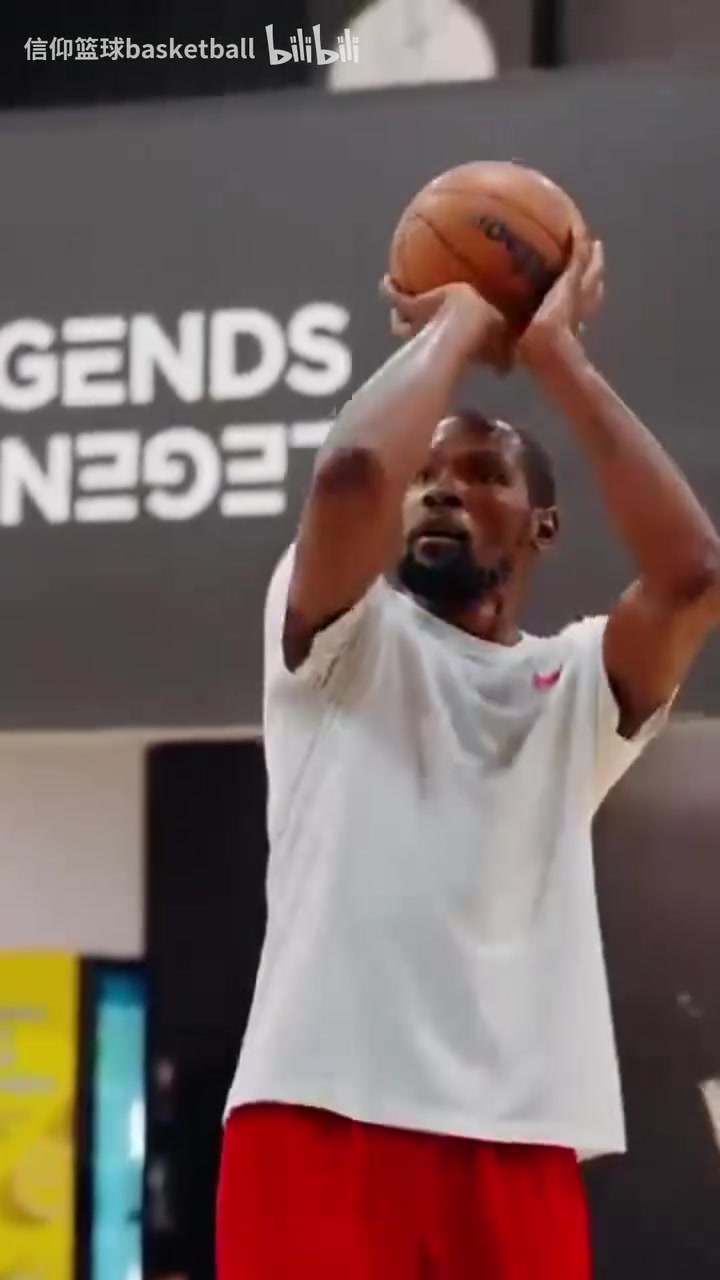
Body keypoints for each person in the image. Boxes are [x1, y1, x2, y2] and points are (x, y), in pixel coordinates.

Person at [216, 229, 720, 1278]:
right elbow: (353, 470)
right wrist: (456, 319)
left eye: (482, 473)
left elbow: (693, 575)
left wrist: (556, 357)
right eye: (428, 474)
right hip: (316, 1115)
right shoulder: (343, 637)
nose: (438, 489)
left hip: (517, 1136)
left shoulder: (574, 686)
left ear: (543, 527)